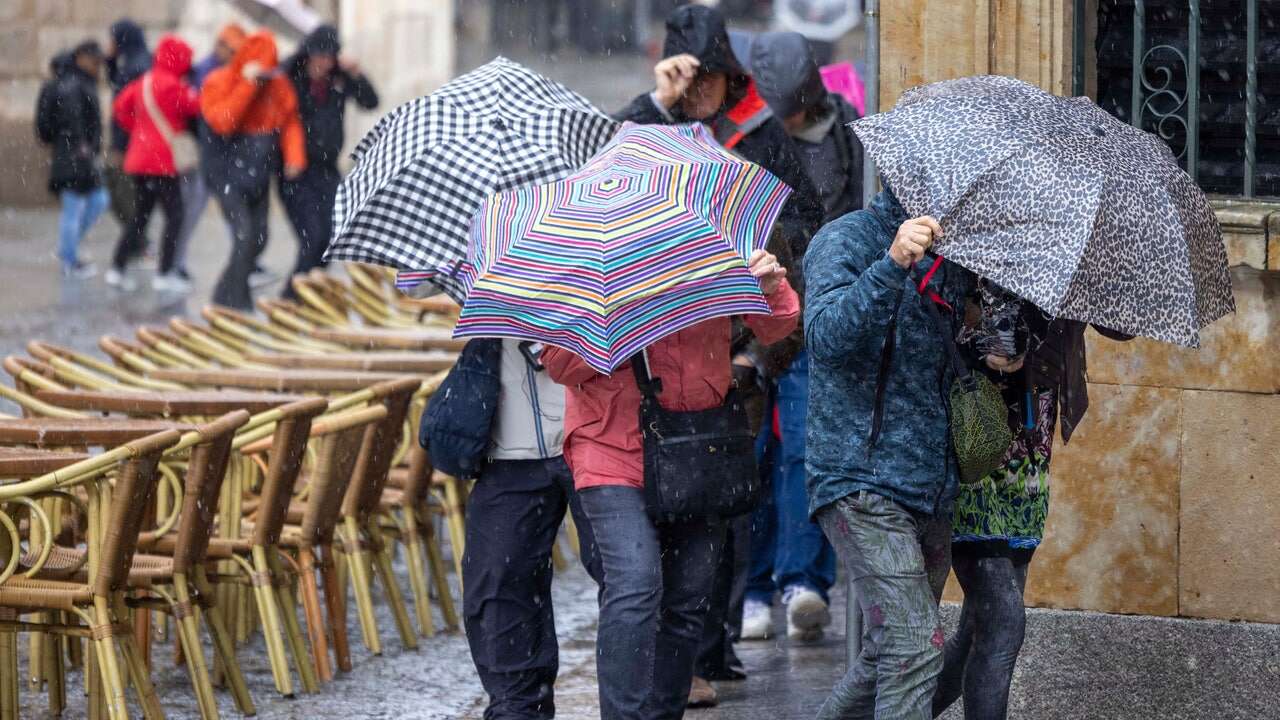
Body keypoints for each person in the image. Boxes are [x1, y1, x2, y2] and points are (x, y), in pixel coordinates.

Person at [616, 6, 824, 705]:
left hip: (735, 353)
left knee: (726, 503)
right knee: (673, 512)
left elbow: (798, 233)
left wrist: (754, 352)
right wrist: (659, 104)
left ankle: (713, 644)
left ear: (729, 75)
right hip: (660, 354)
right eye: (689, 77)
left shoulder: (762, 135)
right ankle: (693, 655)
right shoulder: (651, 127)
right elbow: (601, 176)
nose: (698, 90)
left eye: (707, 77)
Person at [544, 249, 798, 720]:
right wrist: (623, 312)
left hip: (699, 448)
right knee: (636, 584)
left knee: (687, 601)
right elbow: (559, 364)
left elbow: (778, 327)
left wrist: (769, 287)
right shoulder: (584, 263)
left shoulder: (713, 249)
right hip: (610, 449)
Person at [803, 186, 972, 720]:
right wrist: (892, 264)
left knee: (891, 649)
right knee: (915, 647)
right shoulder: (846, 238)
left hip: (932, 483)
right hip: (859, 479)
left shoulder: (956, 256)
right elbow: (826, 338)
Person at [933, 293, 1131, 720]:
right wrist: (984, 348)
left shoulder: (1070, 247)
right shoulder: (979, 242)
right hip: (976, 436)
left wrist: (1096, 280)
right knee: (1002, 620)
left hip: (1031, 438)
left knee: (978, 629)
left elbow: (1121, 326)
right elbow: (943, 319)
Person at [735, 29, 866, 644]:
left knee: (805, 452)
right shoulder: (753, 142)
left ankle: (800, 578)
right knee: (753, 454)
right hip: (758, 311)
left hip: (823, 315)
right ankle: (755, 587)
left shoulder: (853, 138)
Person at [460, 339, 603, 719]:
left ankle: (650, 691)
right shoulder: (490, 279)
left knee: (627, 573)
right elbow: (416, 281)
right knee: (498, 578)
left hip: (603, 435)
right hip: (509, 441)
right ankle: (516, 707)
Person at [200, 30, 306, 311]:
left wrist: (295, 156)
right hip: (226, 174)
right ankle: (235, 300)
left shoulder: (278, 85)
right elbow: (223, 122)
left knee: (259, 238)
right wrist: (247, 85)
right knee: (244, 235)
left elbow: (289, 120)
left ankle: (226, 291)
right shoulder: (219, 81)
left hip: (259, 173)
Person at [278, 24, 379, 292]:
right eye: (319, 56)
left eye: (329, 56)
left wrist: (357, 73)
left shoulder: (340, 79)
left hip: (327, 169)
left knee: (331, 238)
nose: (324, 62)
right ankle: (292, 297)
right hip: (296, 170)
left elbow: (370, 102)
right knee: (313, 237)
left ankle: (311, 295)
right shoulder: (291, 76)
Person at [107, 35, 199, 292]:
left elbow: (120, 107)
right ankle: (165, 273)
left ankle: (117, 267)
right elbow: (195, 107)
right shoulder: (174, 86)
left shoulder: (144, 81)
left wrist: (136, 129)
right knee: (175, 216)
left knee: (140, 216)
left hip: (139, 159)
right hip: (162, 162)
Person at [170, 22, 247, 283]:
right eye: (232, 50)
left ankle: (245, 258)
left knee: (233, 211)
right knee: (191, 211)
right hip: (204, 154)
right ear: (221, 47)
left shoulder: (230, 72)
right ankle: (175, 263)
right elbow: (211, 115)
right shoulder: (206, 73)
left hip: (222, 153)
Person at [36, 42, 108, 279]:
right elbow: (74, 122)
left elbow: (48, 129)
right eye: (94, 61)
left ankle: (68, 250)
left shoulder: (64, 83)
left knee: (90, 203)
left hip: (71, 156)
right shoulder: (72, 85)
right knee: (78, 207)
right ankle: (68, 259)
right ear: (79, 59)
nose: (98, 67)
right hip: (75, 157)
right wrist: (83, 147)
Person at [103, 19, 151, 237]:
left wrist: (120, 146)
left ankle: (136, 242)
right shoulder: (136, 61)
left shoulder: (135, 66)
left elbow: (124, 110)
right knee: (132, 195)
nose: (109, 44)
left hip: (133, 142)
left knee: (127, 195)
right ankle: (137, 241)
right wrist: (110, 61)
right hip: (137, 140)